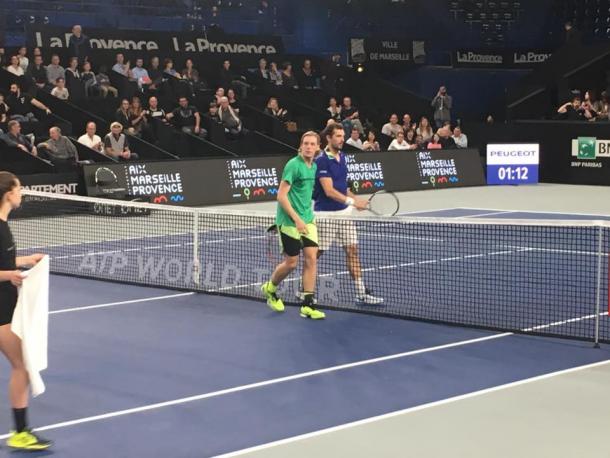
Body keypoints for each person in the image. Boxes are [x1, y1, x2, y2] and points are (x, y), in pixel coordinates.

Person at [0, 172, 53, 451]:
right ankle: (20, 433)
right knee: (22, 366)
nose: (22, 193)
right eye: (19, 188)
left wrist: (26, 260)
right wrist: (10, 275)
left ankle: (20, 431)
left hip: (6, 307)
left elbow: (5, 260)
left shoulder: (4, 226)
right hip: (0, 312)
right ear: (8, 193)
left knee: (21, 366)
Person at [313, 123, 383, 305]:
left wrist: (357, 200)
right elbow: (328, 191)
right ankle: (305, 289)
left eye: (342, 136)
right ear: (328, 138)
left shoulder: (343, 157)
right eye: (338, 136)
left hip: (345, 213)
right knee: (316, 253)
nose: (341, 139)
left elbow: (342, 188)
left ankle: (361, 292)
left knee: (352, 251)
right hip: (326, 215)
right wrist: (353, 202)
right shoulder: (321, 160)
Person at [260, 131, 325, 319]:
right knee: (291, 263)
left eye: (313, 144)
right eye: (306, 143)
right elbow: (281, 195)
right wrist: (296, 219)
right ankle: (270, 289)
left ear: (317, 147)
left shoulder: (313, 167)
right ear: (301, 145)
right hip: (289, 221)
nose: (309, 147)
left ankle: (308, 305)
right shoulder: (293, 165)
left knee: (311, 258)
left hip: (308, 219)